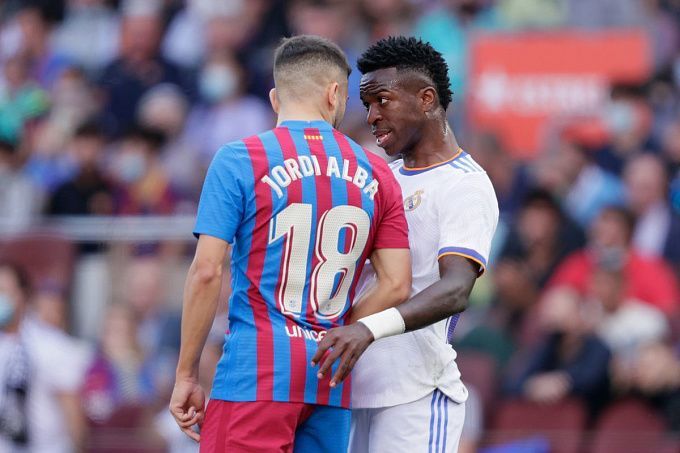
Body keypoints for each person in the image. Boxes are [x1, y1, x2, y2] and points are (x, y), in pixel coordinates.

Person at [169, 35, 412, 453]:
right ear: (334, 94)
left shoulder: (239, 159)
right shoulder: (378, 172)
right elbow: (396, 284)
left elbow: (207, 271)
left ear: (274, 98)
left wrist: (187, 374)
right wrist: (332, 330)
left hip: (255, 375)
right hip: (329, 377)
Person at [313, 36, 499, 453]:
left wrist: (367, 329)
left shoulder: (465, 185)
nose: (372, 116)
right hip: (354, 387)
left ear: (426, 99)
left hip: (415, 394)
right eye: (367, 105)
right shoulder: (382, 178)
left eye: (382, 100)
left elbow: (456, 290)